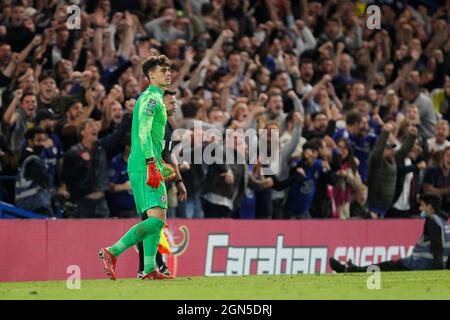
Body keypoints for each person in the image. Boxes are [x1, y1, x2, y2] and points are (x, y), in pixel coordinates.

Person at [99, 55, 175, 280]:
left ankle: (149, 268)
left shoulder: (156, 99)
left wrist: (160, 163)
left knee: (154, 218)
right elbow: (142, 132)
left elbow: (150, 137)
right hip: (144, 165)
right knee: (157, 219)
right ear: (151, 75)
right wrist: (152, 164)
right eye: (163, 70)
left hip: (148, 163)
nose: (168, 73)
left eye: (169, 69)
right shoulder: (151, 99)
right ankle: (112, 252)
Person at [330, 193, 450, 272]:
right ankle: (352, 269)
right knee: (387, 266)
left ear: (429, 207)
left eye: (422, 205)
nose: (420, 209)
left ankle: (349, 270)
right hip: (427, 264)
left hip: (420, 264)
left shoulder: (432, 220)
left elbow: (437, 248)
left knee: (383, 267)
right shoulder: (444, 222)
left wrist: (438, 271)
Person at [15, 127, 53, 216]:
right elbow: (43, 179)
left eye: (43, 140)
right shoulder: (31, 159)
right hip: (32, 205)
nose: (42, 144)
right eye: (38, 140)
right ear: (30, 141)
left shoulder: (34, 157)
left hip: (32, 203)